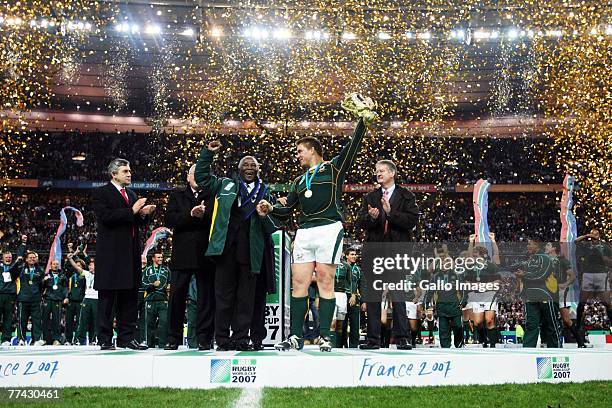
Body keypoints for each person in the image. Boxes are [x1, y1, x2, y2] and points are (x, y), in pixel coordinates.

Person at [259, 93, 377, 352]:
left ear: (312, 150)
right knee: (299, 283)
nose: (297, 155)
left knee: (325, 279)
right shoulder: (299, 181)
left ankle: (325, 335)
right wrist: (269, 208)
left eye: (300, 151)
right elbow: (286, 210)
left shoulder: (334, 168)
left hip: (328, 228)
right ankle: (295, 337)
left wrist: (362, 122)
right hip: (304, 231)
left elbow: (353, 146)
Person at [194, 142, 280, 351]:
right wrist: (207, 154)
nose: (250, 168)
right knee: (223, 297)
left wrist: (264, 215)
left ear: (258, 170)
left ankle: (241, 339)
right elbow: (202, 178)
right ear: (239, 169)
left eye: (253, 165)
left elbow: (273, 226)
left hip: (252, 252)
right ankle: (222, 339)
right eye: (246, 165)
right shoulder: (224, 184)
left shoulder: (266, 193)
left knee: (246, 299)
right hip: (225, 250)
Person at [92, 158, 156, 350]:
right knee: (108, 298)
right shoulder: (101, 193)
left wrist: (144, 214)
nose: (129, 174)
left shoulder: (131, 193)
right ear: (114, 174)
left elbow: (136, 222)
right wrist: (132, 210)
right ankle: (104, 339)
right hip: (111, 255)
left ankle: (126, 338)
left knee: (129, 298)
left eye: (130, 171)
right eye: (125, 171)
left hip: (131, 254)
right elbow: (105, 218)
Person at [356, 159, 418, 350]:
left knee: (397, 294)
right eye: (376, 171)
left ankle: (402, 338)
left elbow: (412, 221)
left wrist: (391, 214)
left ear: (392, 173)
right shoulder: (370, 196)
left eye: (382, 170)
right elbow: (360, 221)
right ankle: (373, 339)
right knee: (373, 295)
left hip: (396, 252)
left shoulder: (406, 196)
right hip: (374, 252)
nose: (378, 173)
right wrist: (372, 218)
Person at [164, 165, 216, 351]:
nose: (199, 177)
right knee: (177, 297)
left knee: (206, 299)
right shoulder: (176, 195)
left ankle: (204, 338)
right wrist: (191, 215)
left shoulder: (212, 196)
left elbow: (217, 221)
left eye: (203, 174)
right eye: (195, 173)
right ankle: (172, 338)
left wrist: (204, 215)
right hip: (182, 255)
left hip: (205, 255)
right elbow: (169, 220)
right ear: (188, 177)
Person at [516, 238, 562, 348]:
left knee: (551, 324)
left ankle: (555, 350)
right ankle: (528, 352)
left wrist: (524, 275)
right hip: (530, 297)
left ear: (537, 245)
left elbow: (542, 275)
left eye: (529, 244)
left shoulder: (546, 258)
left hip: (546, 295)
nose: (527, 246)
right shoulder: (529, 259)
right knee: (531, 325)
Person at [545, 242, 586, 347]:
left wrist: (565, 284)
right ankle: (550, 343)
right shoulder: (544, 261)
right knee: (549, 318)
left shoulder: (562, 261)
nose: (545, 247)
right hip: (548, 292)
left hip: (560, 292)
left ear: (554, 248)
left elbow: (572, 276)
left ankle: (580, 342)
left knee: (566, 319)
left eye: (548, 245)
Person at [466, 233, 501, 347]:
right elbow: (467, 281)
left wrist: (486, 286)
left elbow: (498, 281)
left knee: (489, 320)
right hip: (477, 295)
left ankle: (492, 344)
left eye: (475, 254)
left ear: (482, 255)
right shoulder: (471, 267)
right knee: (477, 322)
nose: (473, 256)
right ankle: (484, 340)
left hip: (489, 294)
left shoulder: (491, 266)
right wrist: (471, 242)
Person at [14, 250, 45, 346]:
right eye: (30, 257)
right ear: (26, 259)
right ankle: (21, 340)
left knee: (37, 320)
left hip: (36, 299)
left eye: (34, 257)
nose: (32, 259)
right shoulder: (21, 268)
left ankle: (37, 340)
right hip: (23, 298)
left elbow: (42, 285)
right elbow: (13, 272)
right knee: (22, 320)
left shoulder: (40, 270)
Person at [67, 252, 98, 345]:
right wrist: (70, 259)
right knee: (83, 320)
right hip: (87, 298)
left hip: (97, 299)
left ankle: (94, 340)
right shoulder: (87, 273)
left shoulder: (102, 274)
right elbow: (76, 268)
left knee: (95, 321)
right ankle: (80, 340)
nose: (90, 267)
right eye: (89, 266)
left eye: (92, 266)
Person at [0, 236, 26, 345]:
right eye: (6, 257)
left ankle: (5, 339)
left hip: (10, 295)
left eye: (10, 257)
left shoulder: (14, 268)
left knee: (8, 318)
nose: (8, 258)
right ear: (2, 258)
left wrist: (23, 243)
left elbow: (19, 258)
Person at [142, 252, 170, 348]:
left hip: (163, 300)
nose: (161, 259)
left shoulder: (166, 270)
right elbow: (143, 285)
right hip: (150, 300)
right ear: (153, 259)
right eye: (158, 257)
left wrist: (169, 286)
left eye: (162, 257)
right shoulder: (147, 270)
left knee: (163, 323)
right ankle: (150, 344)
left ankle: (163, 344)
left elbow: (171, 283)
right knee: (149, 324)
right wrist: (152, 285)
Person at [41, 260, 68, 345]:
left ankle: (56, 339)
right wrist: (43, 281)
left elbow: (65, 288)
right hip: (47, 300)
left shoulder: (62, 276)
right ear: (51, 265)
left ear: (59, 265)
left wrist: (66, 297)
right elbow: (40, 287)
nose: (55, 265)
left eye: (57, 264)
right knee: (45, 320)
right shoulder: (46, 275)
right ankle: (45, 339)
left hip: (58, 300)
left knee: (57, 320)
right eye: (54, 264)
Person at [64, 250, 86, 345]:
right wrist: (73, 254)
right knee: (68, 322)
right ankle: (68, 340)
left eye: (79, 265)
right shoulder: (71, 275)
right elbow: (66, 266)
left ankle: (77, 339)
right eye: (76, 265)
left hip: (81, 301)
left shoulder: (85, 275)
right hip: (71, 301)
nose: (77, 266)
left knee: (79, 322)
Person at [343, 248, 362, 348]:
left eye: (355, 254)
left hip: (354, 297)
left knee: (355, 323)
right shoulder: (341, 267)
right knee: (343, 323)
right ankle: (341, 344)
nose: (355, 256)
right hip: (343, 296)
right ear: (346, 256)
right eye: (352, 254)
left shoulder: (358, 269)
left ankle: (354, 346)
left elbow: (360, 285)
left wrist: (355, 295)